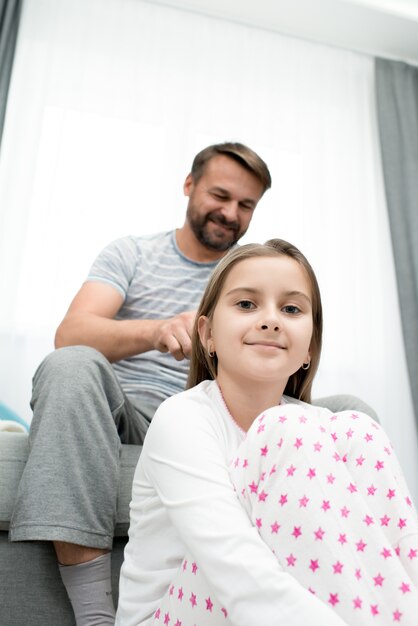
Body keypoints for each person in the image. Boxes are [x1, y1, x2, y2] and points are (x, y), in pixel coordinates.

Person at [9, 142, 272, 626]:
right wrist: (156, 331)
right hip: (127, 417)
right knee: (70, 364)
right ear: (189, 186)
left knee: (345, 408)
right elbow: (72, 332)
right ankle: (94, 618)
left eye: (247, 204)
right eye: (220, 195)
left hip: (211, 422)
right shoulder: (131, 254)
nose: (231, 212)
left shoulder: (253, 276)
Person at [115, 239, 418, 626]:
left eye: (291, 309)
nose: (271, 319)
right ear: (206, 335)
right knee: (285, 429)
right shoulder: (183, 418)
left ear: (309, 347)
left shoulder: (317, 428)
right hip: (176, 614)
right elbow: (238, 572)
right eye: (246, 304)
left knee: (359, 428)